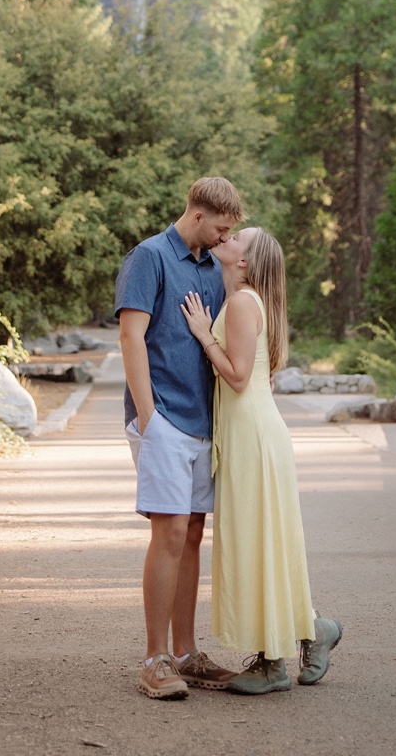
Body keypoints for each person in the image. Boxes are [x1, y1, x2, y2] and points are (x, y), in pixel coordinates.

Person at [181, 225, 342, 695]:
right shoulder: (248, 299)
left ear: (245, 261)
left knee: (258, 543)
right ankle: (307, 635)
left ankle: (275, 661)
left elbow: (234, 378)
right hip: (251, 433)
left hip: (253, 437)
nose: (226, 239)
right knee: (264, 543)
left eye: (236, 239)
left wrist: (200, 334)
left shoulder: (244, 302)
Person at [115, 176, 247, 700]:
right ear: (197, 216)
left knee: (193, 533)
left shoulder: (213, 267)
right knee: (168, 534)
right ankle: (155, 659)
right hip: (163, 417)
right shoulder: (148, 257)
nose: (224, 236)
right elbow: (130, 335)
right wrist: (148, 417)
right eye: (221, 226)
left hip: (203, 420)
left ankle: (188, 654)